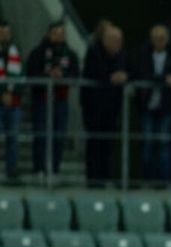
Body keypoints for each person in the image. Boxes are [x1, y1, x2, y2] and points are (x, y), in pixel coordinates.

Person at [27, 21, 79, 177]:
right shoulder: (38, 52)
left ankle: (54, 168)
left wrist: (63, 77)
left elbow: (75, 75)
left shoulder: (70, 54)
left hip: (61, 101)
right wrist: (47, 76)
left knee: (58, 136)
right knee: (41, 134)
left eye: (62, 34)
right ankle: (39, 168)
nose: (59, 36)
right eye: (56, 33)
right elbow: (32, 74)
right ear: (49, 34)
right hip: (42, 100)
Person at [81, 24, 129, 188]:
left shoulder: (122, 55)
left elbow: (133, 71)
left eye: (120, 40)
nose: (118, 43)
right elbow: (91, 74)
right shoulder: (94, 53)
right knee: (94, 145)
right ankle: (93, 180)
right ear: (106, 40)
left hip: (112, 109)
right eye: (115, 40)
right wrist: (110, 78)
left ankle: (106, 177)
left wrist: (125, 76)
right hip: (93, 109)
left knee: (108, 146)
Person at [134, 25, 171, 185]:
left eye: (162, 38)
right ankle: (147, 181)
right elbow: (142, 73)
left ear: (167, 40)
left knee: (163, 144)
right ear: (151, 39)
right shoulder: (144, 54)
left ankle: (165, 183)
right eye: (156, 38)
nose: (159, 41)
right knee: (147, 143)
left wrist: (166, 78)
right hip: (147, 106)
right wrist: (164, 79)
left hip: (166, 107)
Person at [0, 21, 22, 182]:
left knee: (13, 137)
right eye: (2, 32)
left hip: (13, 103)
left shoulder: (15, 51)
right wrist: (2, 93)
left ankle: (11, 171)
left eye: (7, 32)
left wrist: (10, 92)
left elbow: (21, 74)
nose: (5, 35)